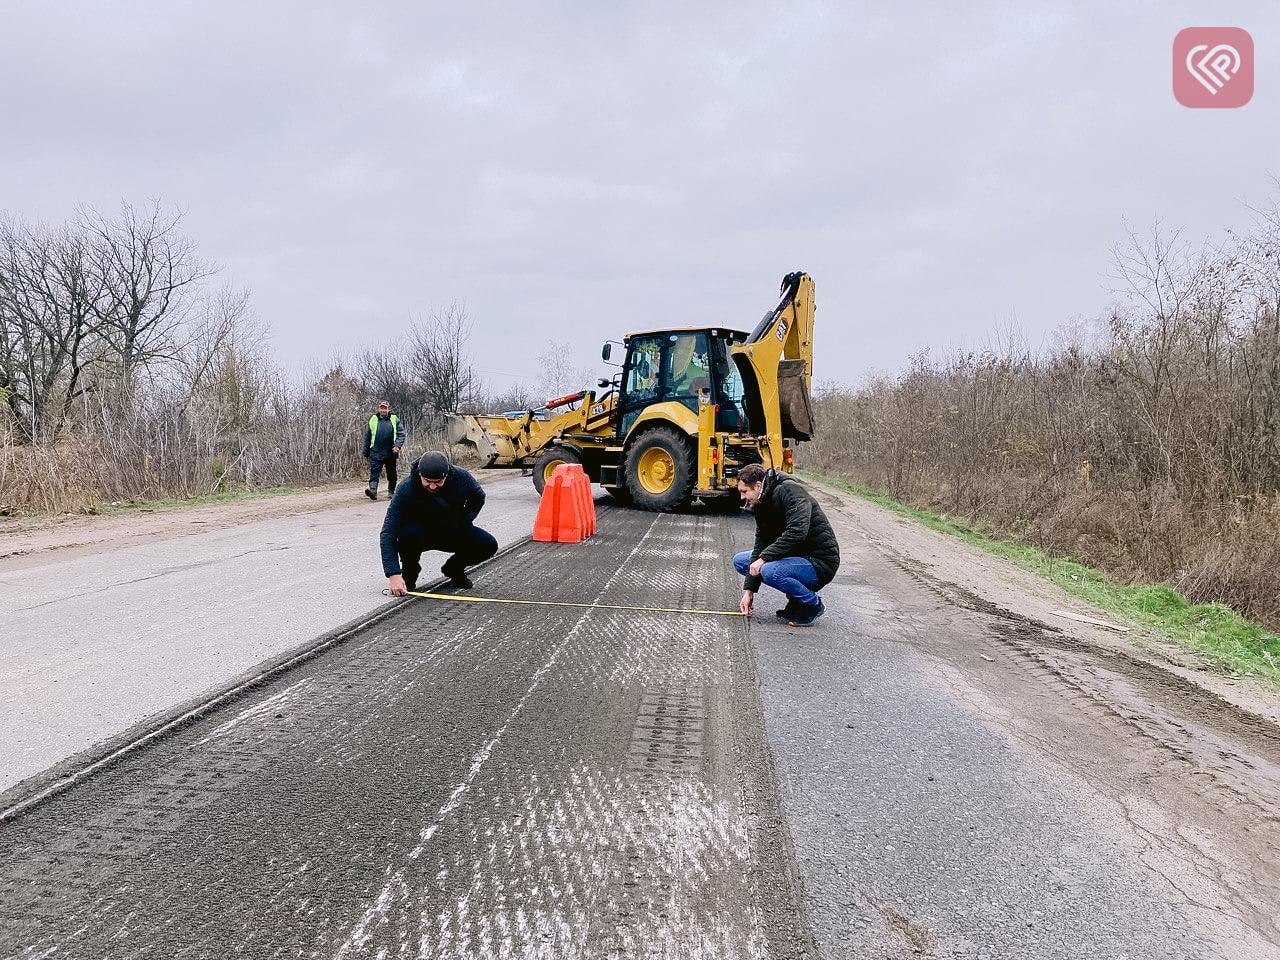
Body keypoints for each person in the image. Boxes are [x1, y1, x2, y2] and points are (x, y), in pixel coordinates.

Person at [733, 462, 840, 626]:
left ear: (758, 485)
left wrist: (763, 560)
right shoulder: (761, 502)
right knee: (741, 561)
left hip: (819, 561)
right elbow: (761, 543)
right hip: (795, 555)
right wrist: (749, 591)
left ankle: (812, 604)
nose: (742, 497)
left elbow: (797, 532)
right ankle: (797, 600)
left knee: (769, 570)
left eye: (744, 491)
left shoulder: (790, 490)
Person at [380, 451, 498, 596]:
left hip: (450, 531)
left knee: (488, 544)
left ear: (446, 475)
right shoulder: (405, 488)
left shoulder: (462, 477)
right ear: (420, 475)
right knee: (407, 534)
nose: (433, 486)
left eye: (438, 482)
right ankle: (409, 575)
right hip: (420, 535)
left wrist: (464, 521)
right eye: (428, 481)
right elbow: (388, 531)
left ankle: (454, 568)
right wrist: (393, 574)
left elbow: (478, 497)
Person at [363, 400, 405, 500]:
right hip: (375, 451)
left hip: (390, 452)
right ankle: (373, 491)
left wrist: (397, 446)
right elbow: (368, 436)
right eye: (381, 408)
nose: (383, 410)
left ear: (388, 409)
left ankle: (391, 491)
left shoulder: (394, 419)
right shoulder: (373, 419)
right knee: (374, 472)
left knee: (392, 474)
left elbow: (401, 434)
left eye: (385, 408)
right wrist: (366, 451)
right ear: (379, 409)